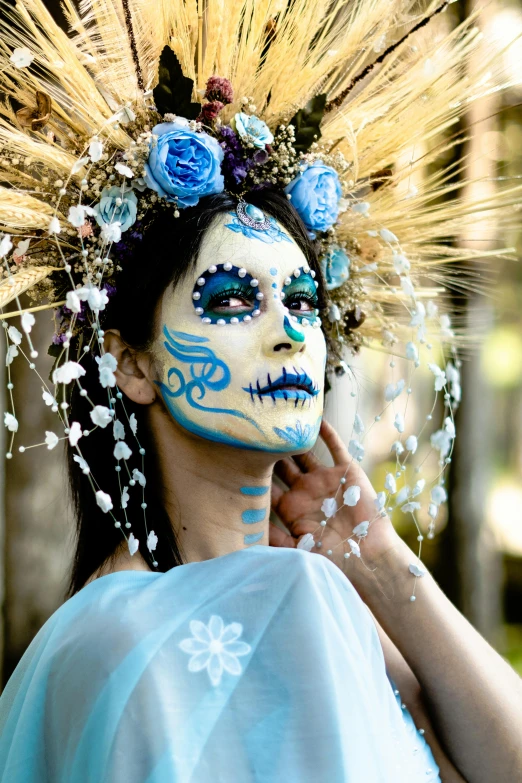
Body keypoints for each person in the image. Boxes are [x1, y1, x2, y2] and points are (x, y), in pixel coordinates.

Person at [0, 1, 521, 781]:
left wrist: (375, 557)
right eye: (233, 301)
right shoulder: (117, 639)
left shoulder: (323, 594)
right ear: (131, 365)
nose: (289, 334)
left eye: (303, 303)